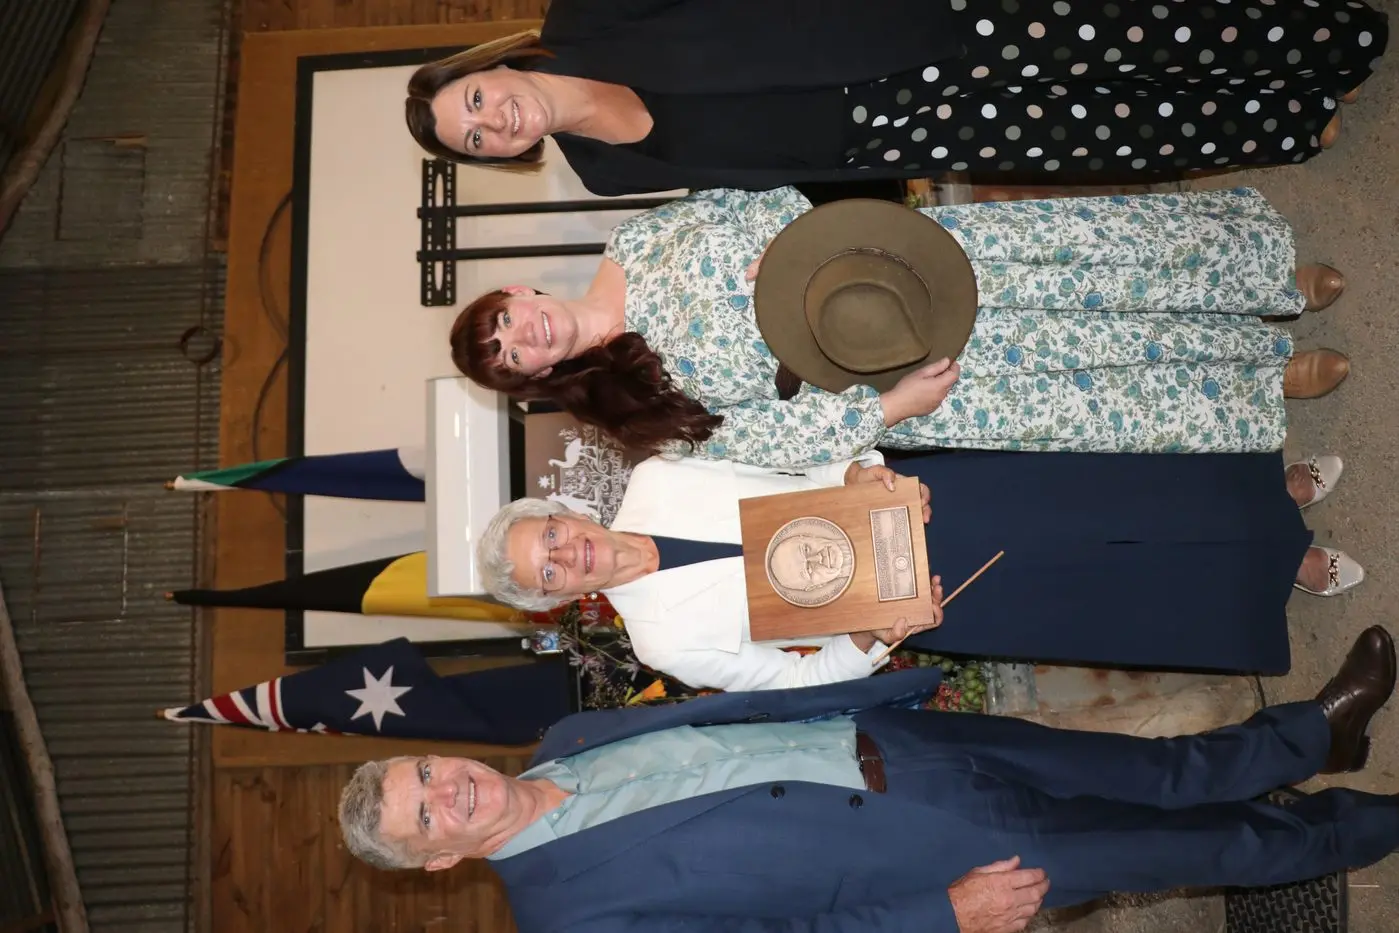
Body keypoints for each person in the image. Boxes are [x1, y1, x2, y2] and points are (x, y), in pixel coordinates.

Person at [338, 627, 1398, 933]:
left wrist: (869, 683)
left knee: (1157, 768)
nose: (448, 790)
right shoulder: (566, 919)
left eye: (425, 770)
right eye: (426, 813)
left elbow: (732, 718)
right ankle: (1360, 828)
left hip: (915, 750)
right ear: (435, 862)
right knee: (1201, 849)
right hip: (947, 861)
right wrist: (938, 916)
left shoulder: (567, 734)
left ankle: (1307, 733)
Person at [452, 186, 1351, 469]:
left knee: (1082, 259)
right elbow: (761, 439)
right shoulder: (635, 412)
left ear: (518, 291)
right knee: (1088, 371)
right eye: (507, 359)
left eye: (503, 322)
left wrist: (784, 241)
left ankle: (1268, 275)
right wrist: (885, 415)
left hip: (881, 265)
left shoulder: (639, 235)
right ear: (530, 379)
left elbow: (753, 196)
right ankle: (1262, 370)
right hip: (882, 376)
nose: (520, 337)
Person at [472, 446, 1360, 694]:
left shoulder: (660, 480)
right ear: (561, 598)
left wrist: (861, 471)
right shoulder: (662, 640)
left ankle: (1263, 495)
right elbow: (793, 678)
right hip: (917, 602)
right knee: (1099, 597)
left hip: (911, 505)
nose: (561, 553)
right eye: (545, 571)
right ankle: (1274, 578)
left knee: (1102, 502)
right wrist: (871, 634)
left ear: (565, 514)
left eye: (548, 535)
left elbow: (790, 463)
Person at [403, 1, 1388, 196]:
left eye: (476, 99)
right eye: (477, 137)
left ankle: (1327, 39)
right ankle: (1284, 116)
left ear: (490, 65)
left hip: (900, 28)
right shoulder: (604, 171)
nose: (492, 120)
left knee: (1125, 30)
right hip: (902, 135)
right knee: (1108, 131)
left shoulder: (591, 14)